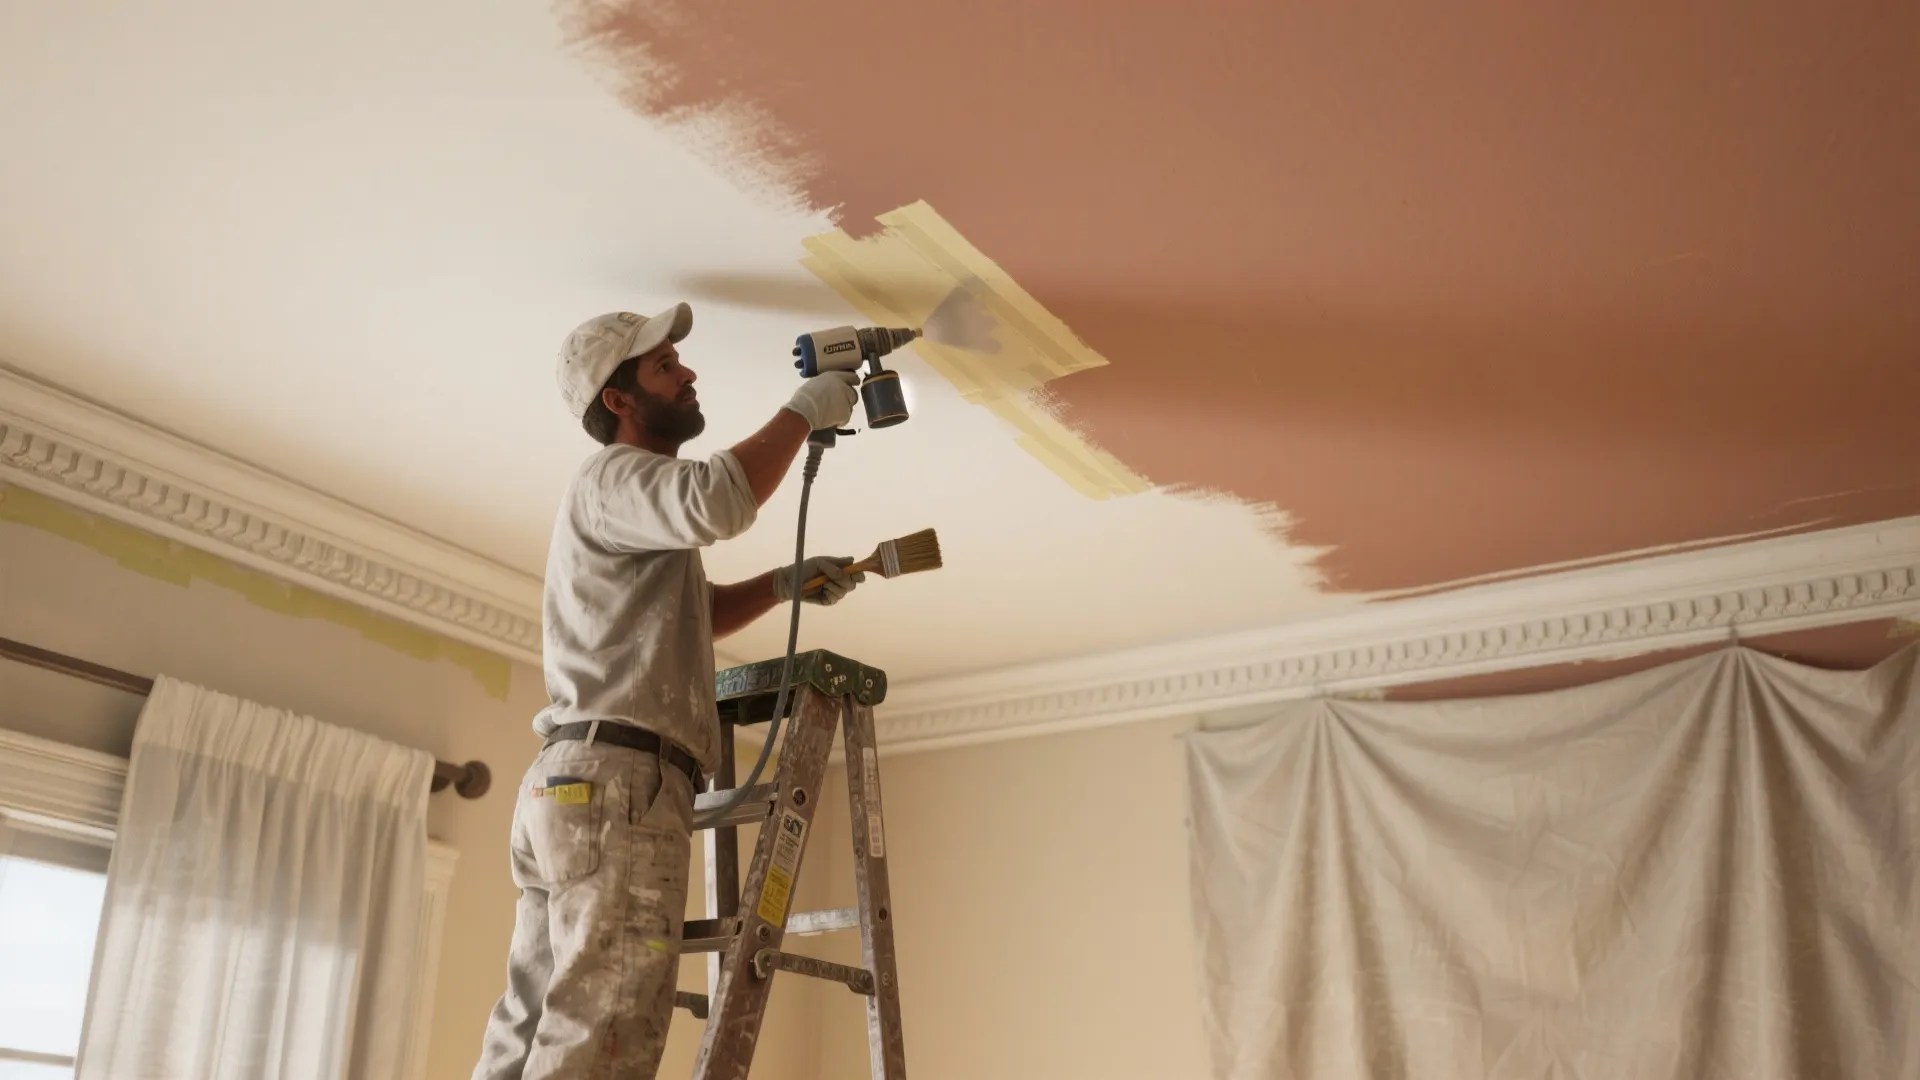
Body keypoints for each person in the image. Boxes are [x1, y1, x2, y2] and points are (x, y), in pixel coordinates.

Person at [472, 302, 867, 1078]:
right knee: (607, 1021)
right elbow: (720, 500)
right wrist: (804, 407)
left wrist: (780, 584)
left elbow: (690, 614)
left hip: (575, 784)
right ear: (619, 401)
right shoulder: (619, 477)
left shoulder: (624, 506)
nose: (687, 373)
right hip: (619, 784)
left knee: (537, 1018)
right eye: (664, 366)